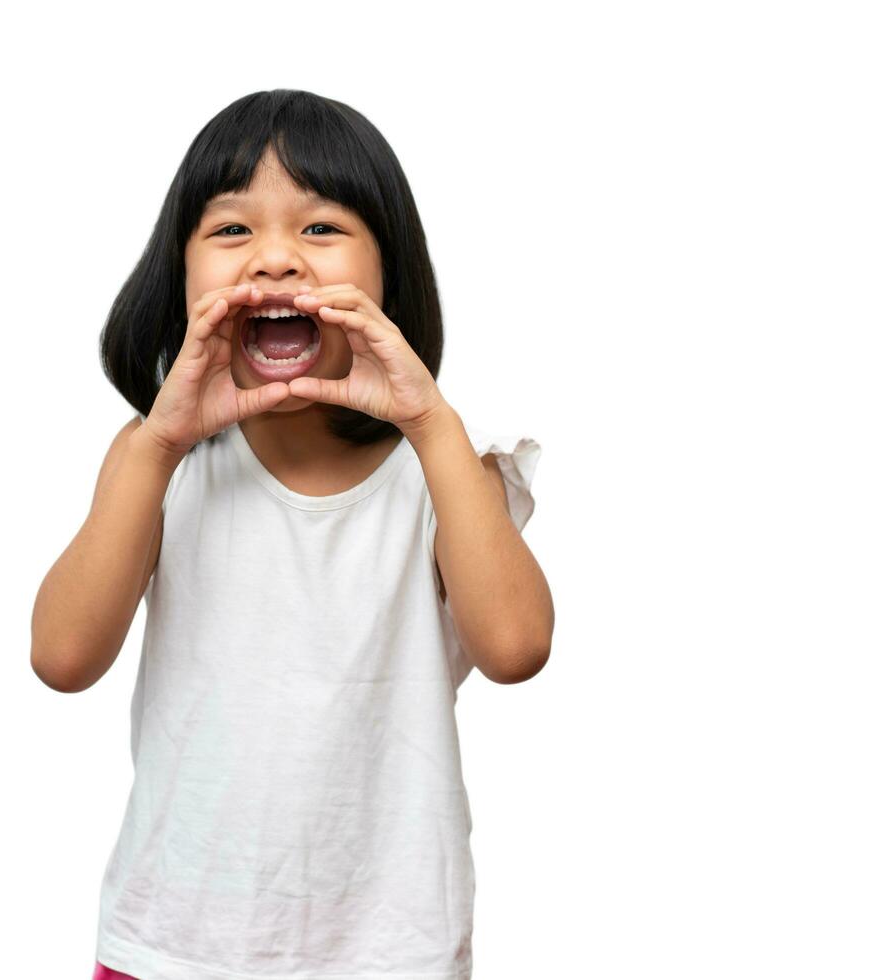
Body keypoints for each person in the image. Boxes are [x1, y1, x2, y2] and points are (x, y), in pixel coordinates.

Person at [30, 89, 554, 980]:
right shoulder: (159, 458)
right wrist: (160, 441)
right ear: (180, 273)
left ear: (389, 273)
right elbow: (63, 657)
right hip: (172, 947)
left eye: (321, 229)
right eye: (231, 231)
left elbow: (515, 648)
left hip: (390, 955)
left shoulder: (441, 468)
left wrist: (430, 425)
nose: (274, 260)